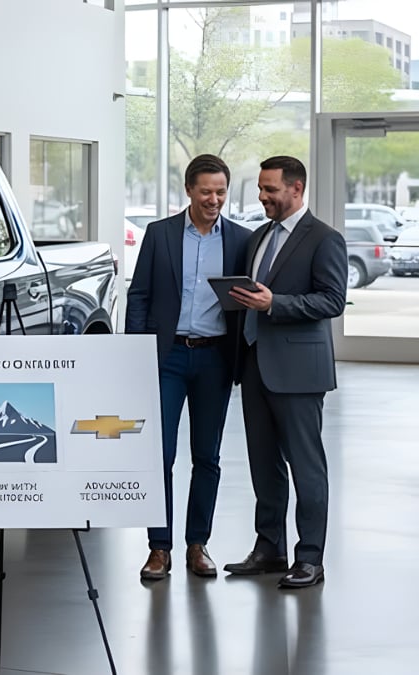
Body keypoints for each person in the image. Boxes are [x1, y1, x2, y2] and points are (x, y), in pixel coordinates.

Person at [125, 154, 251, 581]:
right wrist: (137, 355)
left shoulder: (240, 240)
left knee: (207, 456)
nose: (214, 199)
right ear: (189, 191)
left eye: (220, 191)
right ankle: (159, 548)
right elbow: (139, 296)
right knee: (159, 455)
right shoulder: (159, 235)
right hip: (168, 358)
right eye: (206, 191)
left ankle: (198, 544)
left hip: (215, 358)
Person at [224, 155, 346, 589]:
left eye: (270, 189)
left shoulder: (324, 239)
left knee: (306, 466)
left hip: (298, 372)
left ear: (296, 189)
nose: (262, 197)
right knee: (264, 464)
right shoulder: (258, 238)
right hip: (255, 364)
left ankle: (310, 558)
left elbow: (331, 301)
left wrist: (275, 303)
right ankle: (269, 548)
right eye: (260, 188)